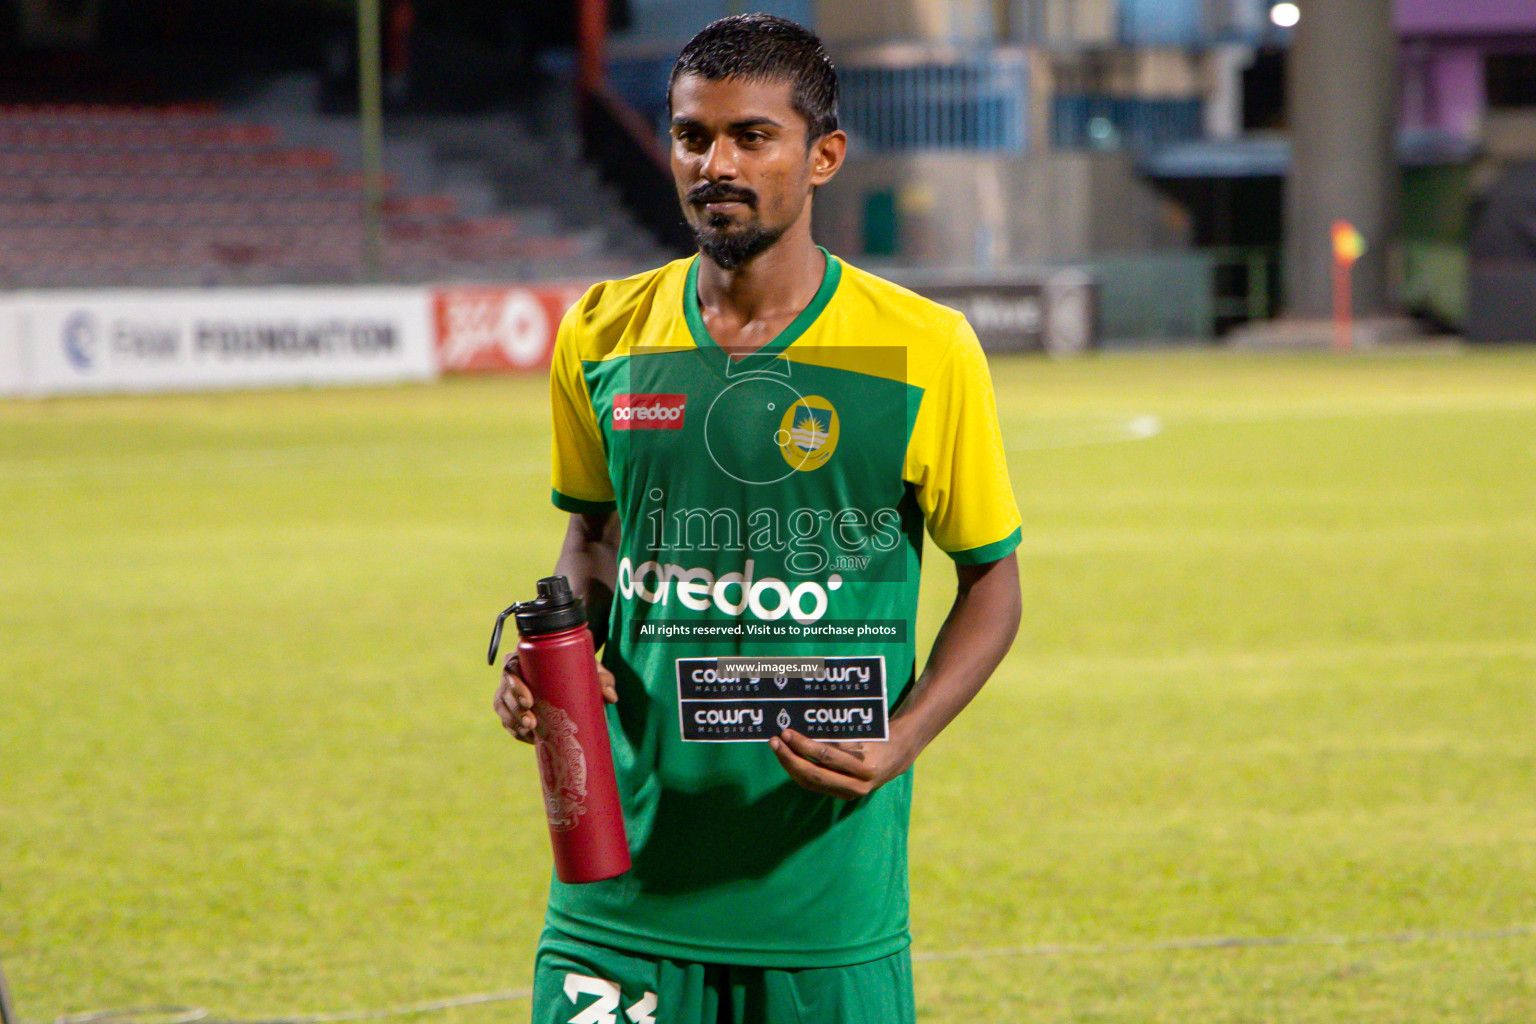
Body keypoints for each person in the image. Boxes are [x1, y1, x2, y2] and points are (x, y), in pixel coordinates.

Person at [493, 14, 1023, 1023]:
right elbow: (593, 541)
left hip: (820, 907)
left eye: (751, 136)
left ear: (823, 155)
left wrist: (901, 738)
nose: (715, 163)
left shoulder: (925, 349)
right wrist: (558, 668)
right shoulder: (601, 333)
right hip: (619, 887)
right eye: (694, 136)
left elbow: (994, 582)